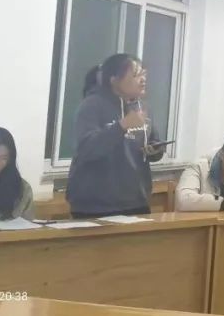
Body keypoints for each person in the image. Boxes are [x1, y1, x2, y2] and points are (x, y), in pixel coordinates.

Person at [66, 54, 167, 219]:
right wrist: (122, 126)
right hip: (95, 206)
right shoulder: (92, 105)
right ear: (114, 80)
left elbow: (152, 142)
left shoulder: (142, 108)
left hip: (136, 202)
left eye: (144, 75)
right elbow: (86, 149)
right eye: (136, 75)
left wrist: (155, 150)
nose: (143, 80)